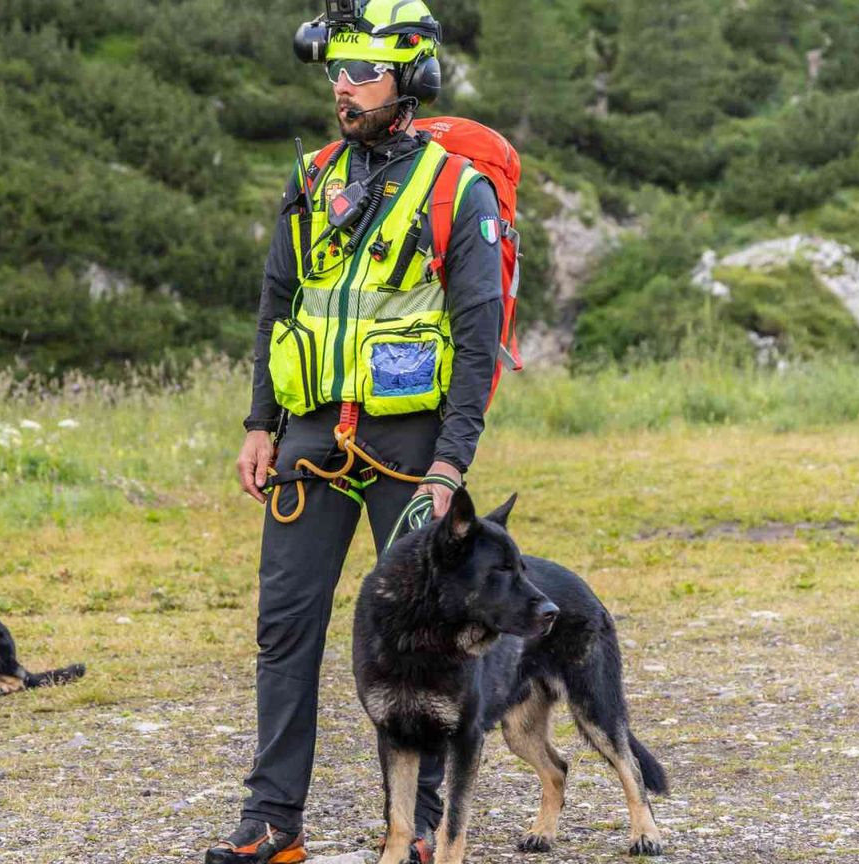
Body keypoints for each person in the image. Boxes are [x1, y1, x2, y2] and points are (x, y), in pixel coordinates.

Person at [206, 1, 503, 861]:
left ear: (410, 82)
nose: (344, 90)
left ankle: (417, 828)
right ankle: (272, 820)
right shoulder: (310, 179)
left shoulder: (457, 189)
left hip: (409, 445)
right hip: (308, 435)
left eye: (363, 75)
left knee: (422, 634)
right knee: (285, 621)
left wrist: (451, 465)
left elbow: (479, 342)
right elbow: (276, 305)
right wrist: (260, 422)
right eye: (337, 73)